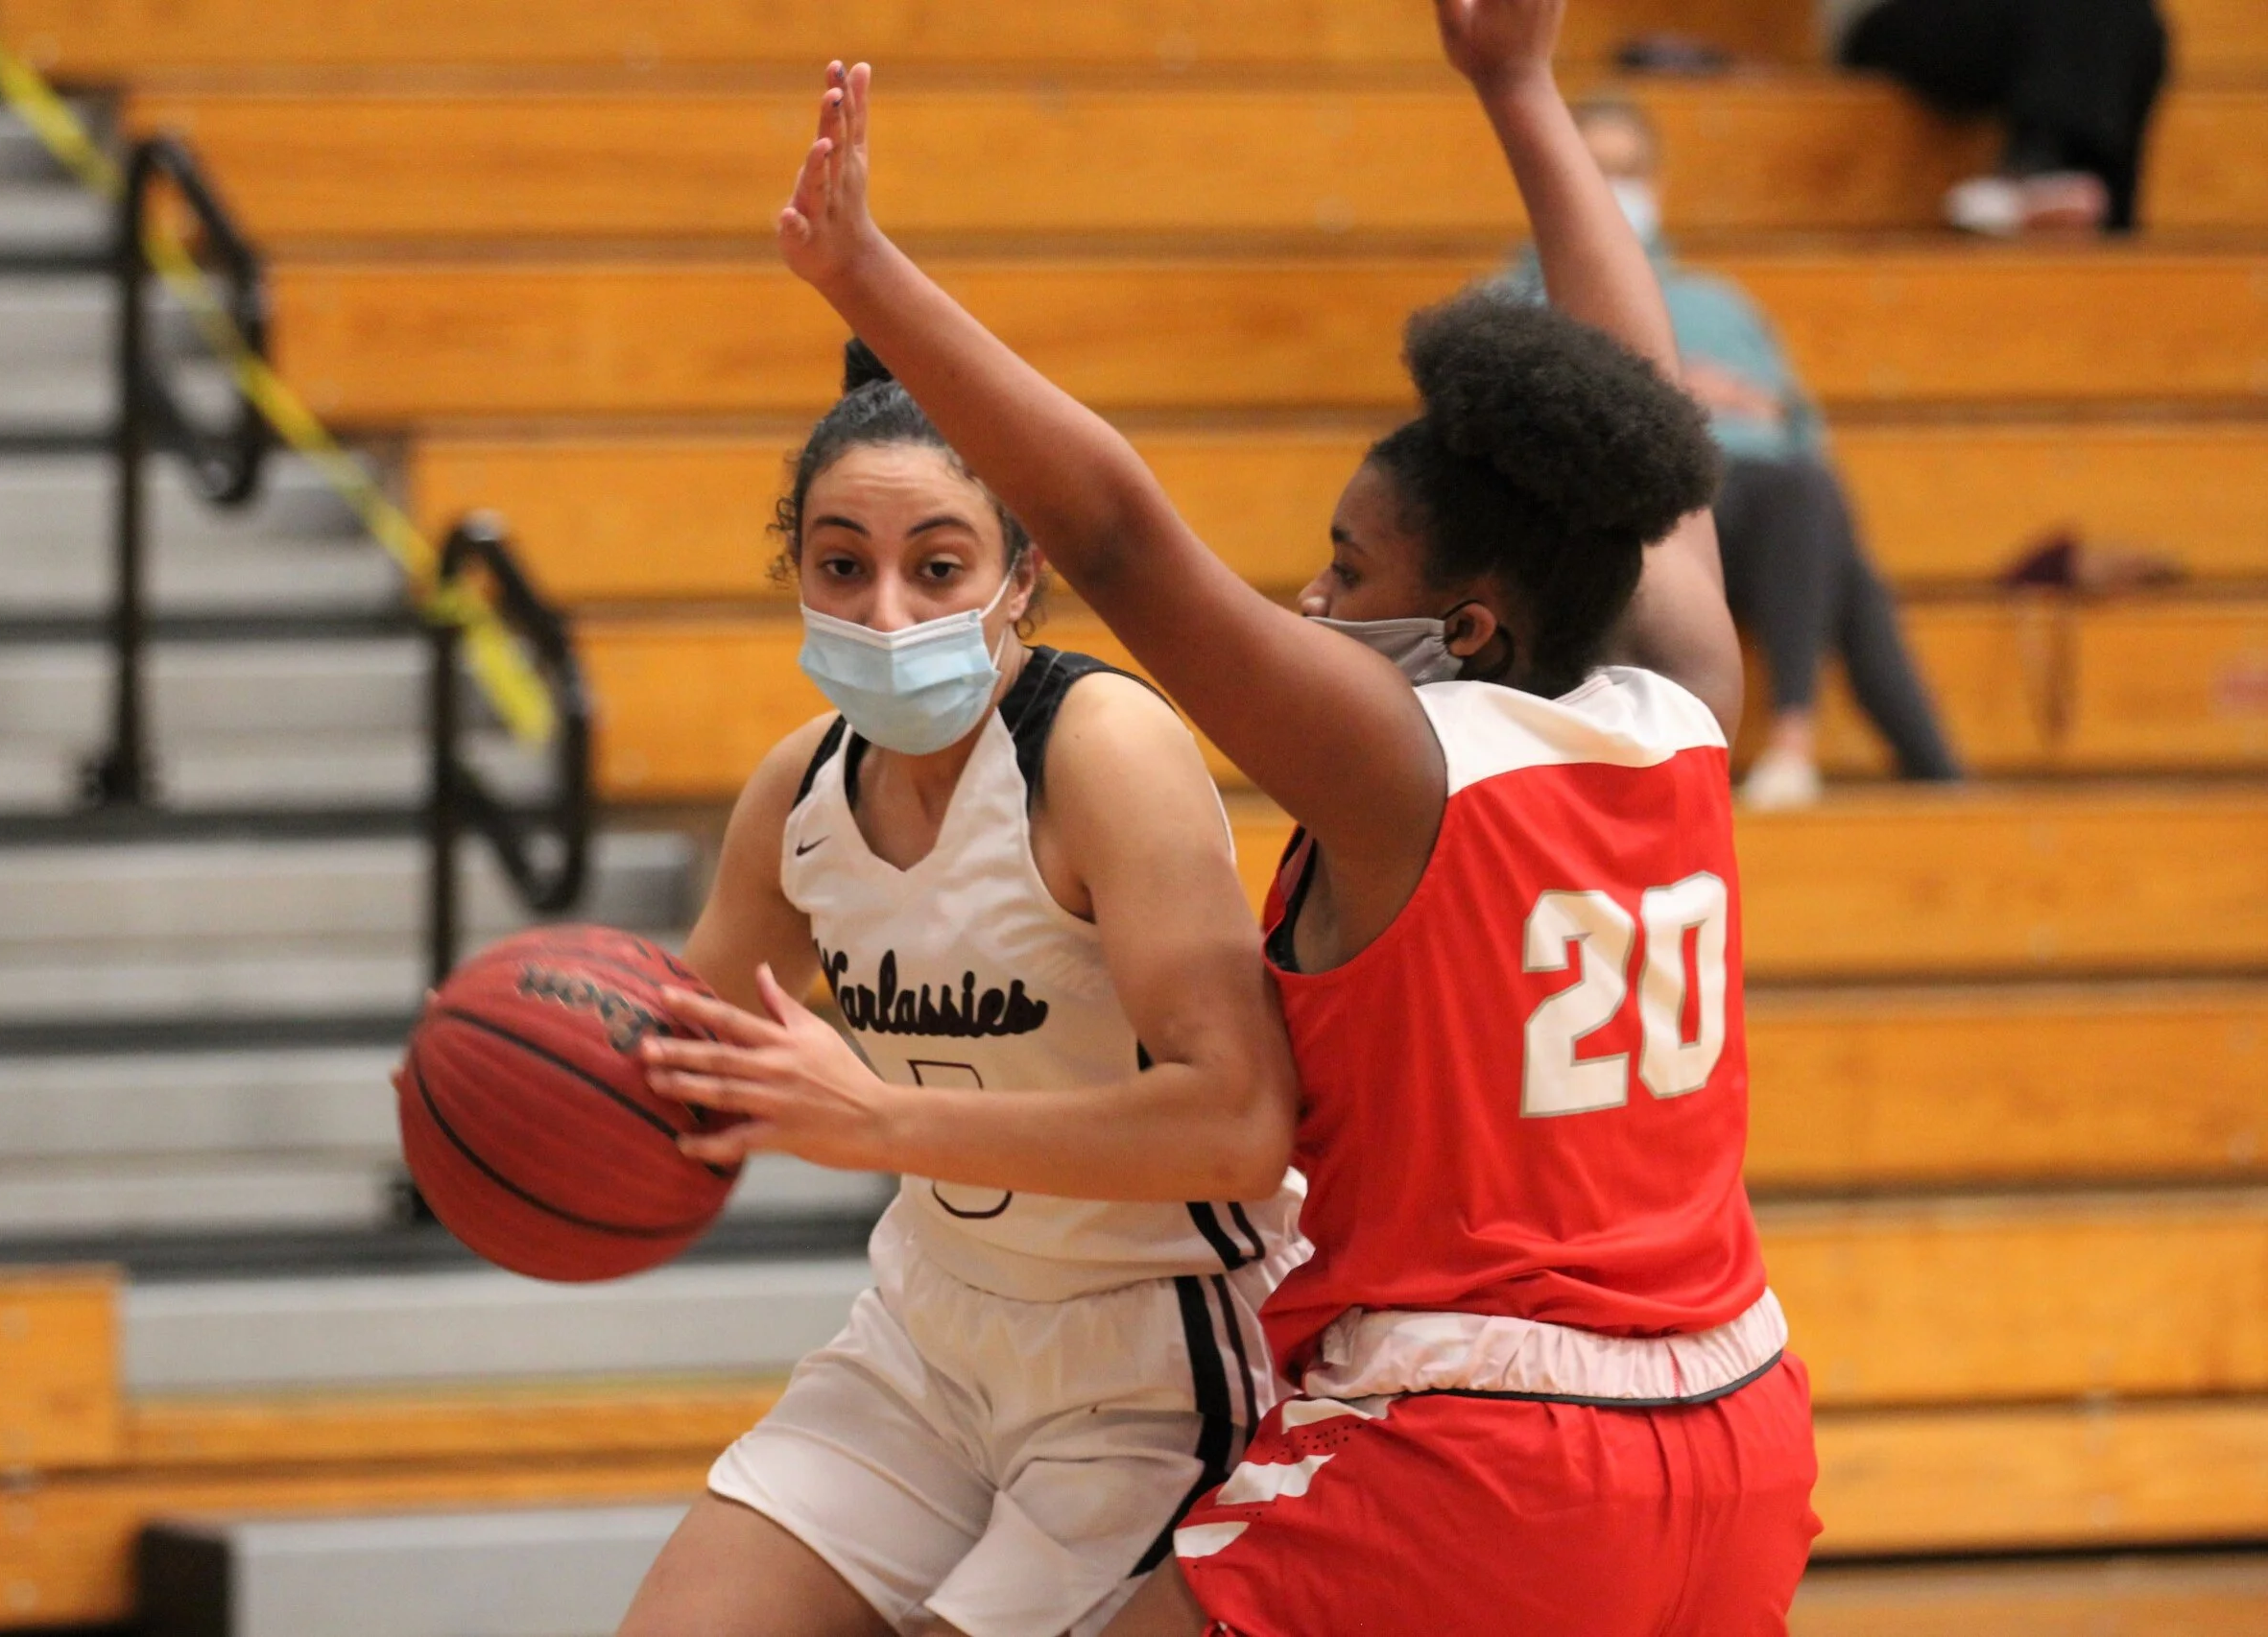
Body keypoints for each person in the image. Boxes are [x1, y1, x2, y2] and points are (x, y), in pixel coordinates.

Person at [651, 2, 1819, 1631]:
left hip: (1485, 1436)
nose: (1313, 601)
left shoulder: (1397, 767)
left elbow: (1118, 539)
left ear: (1466, 625)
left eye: (1347, 566)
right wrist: (1520, 88)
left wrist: (867, 281)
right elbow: (1645, 415)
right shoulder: (1687, 701)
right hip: (1738, 1413)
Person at [613, 341, 1307, 1637]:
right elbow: (667, 1072)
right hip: (925, 1337)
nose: (885, 613)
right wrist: (507, 1073)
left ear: (1020, 576)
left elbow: (1239, 1122)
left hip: (1153, 1358)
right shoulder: (798, 792)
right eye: (842, 566)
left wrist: (878, 1120)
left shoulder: (1098, 749)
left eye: (937, 568)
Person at [1495, 95, 1962, 806]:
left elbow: (1801, 430)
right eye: (1595, 169)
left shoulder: (1721, 303)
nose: (1615, 187)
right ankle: (1915, 769)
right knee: (1827, 536)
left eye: (1630, 169)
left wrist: (1761, 407)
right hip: (1622, 522)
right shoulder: (1513, 306)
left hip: (1758, 515)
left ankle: (1810, 751)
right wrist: (1682, 394)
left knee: (1807, 494)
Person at [1825, 0, 2170, 235]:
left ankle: (2088, 204)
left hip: (2035, 26)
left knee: (2134, 18)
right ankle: (2043, 171)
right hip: (1899, 16)